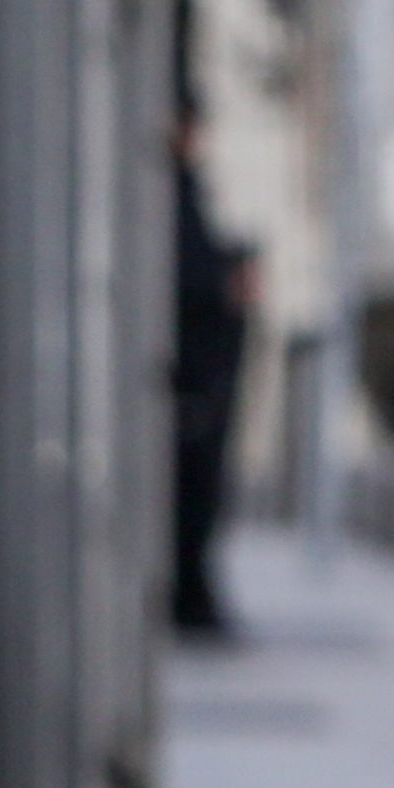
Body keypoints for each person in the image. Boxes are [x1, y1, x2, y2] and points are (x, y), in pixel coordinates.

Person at [170, 110, 258, 641]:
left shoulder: (186, 189)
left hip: (201, 381)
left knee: (202, 504)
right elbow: (187, 278)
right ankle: (191, 603)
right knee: (192, 502)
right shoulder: (172, 191)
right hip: (193, 385)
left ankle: (195, 599)